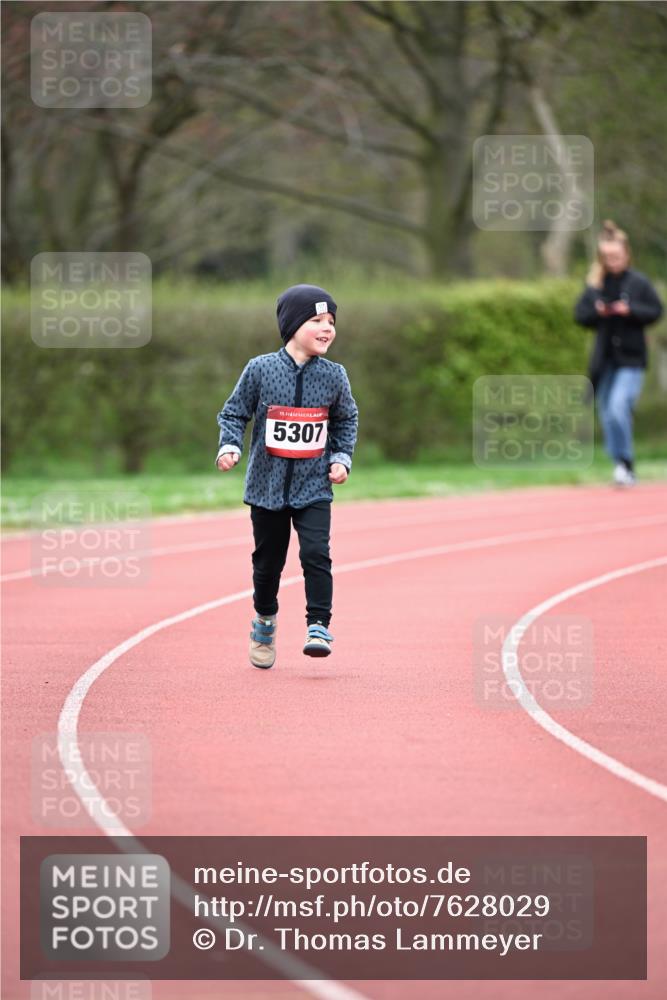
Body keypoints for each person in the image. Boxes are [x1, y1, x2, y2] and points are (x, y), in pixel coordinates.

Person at [216, 284, 358, 669]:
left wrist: (341, 458)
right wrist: (230, 445)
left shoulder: (334, 376)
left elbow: (346, 419)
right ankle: (264, 620)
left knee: (316, 554)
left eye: (331, 321)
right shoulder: (260, 370)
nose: (327, 328)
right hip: (266, 487)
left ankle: (318, 626)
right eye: (316, 320)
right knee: (267, 564)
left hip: (314, 485)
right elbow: (233, 413)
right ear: (293, 325)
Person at [574, 220, 663, 486]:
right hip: (604, 360)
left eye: (617, 256)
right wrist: (597, 311)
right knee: (606, 413)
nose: (612, 261)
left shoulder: (638, 283)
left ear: (626, 255)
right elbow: (580, 315)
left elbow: (656, 311)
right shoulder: (595, 285)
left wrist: (631, 310)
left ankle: (626, 462)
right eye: (607, 257)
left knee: (617, 408)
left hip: (631, 358)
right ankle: (619, 465)